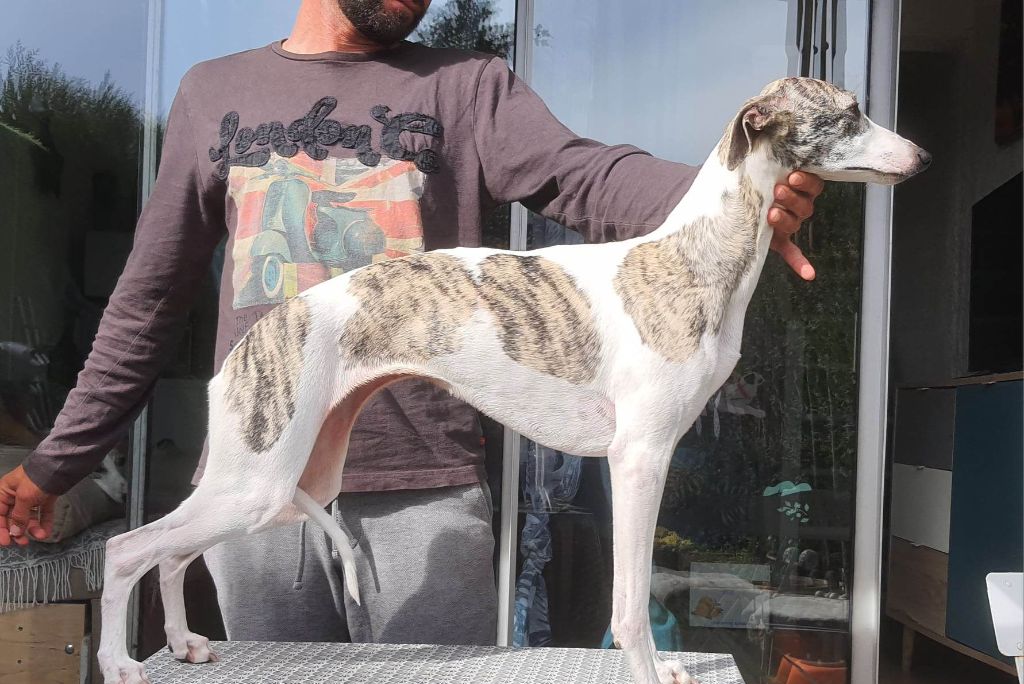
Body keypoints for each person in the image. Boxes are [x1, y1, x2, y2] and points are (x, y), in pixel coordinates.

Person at [0, 0, 823, 645]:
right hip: (262, 492)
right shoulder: (214, 91)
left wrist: (739, 203)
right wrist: (56, 463)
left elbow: (583, 176)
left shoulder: (466, 85)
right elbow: (147, 301)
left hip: (425, 490)